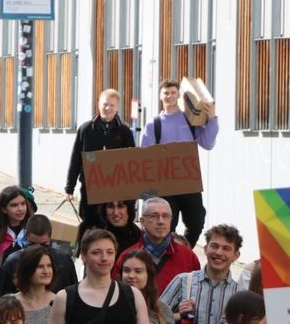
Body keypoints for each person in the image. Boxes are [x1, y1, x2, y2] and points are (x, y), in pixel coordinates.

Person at [141, 80, 219, 247]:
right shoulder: (153, 125)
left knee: (197, 222)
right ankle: (168, 256)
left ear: (178, 95)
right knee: (168, 226)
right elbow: (145, 158)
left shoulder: (190, 119)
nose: (170, 96)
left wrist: (212, 118)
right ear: (160, 96)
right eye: (166, 93)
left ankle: (184, 251)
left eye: (173, 92)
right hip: (165, 185)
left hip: (189, 182)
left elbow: (208, 143)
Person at [50, 229, 151, 324]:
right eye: (96, 252)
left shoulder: (133, 296)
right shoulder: (64, 298)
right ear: (83, 256)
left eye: (110, 252)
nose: (104, 258)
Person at [65, 89, 135, 234]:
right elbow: (75, 159)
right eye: (105, 104)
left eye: (112, 105)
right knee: (90, 223)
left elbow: (131, 162)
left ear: (117, 108)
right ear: (98, 105)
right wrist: (69, 188)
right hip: (90, 187)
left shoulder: (124, 132)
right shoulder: (85, 130)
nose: (108, 108)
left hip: (115, 188)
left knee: (113, 226)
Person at [160, 225, 244, 324]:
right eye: (214, 246)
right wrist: (179, 316)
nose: (218, 252)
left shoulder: (240, 293)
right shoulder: (183, 281)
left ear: (236, 255)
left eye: (226, 248)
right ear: (205, 249)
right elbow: (155, 317)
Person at [113, 197, 200, 290]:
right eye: (154, 216)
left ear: (170, 220)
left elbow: (197, 290)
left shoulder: (188, 256)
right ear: (142, 221)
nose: (161, 221)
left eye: (165, 216)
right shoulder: (127, 256)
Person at [0, 215, 78, 302]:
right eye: (32, 245)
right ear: (25, 237)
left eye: (44, 245)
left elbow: (73, 297)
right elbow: (1, 302)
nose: (38, 251)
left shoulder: (64, 261)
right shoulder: (12, 262)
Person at [120, 250, 173, 324]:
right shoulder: (111, 302)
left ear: (149, 274)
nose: (131, 275)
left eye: (138, 271)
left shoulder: (162, 309)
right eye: (126, 270)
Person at [9, 246, 57, 324]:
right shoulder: (10, 303)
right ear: (27, 269)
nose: (46, 271)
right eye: (40, 266)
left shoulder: (59, 302)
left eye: (49, 266)